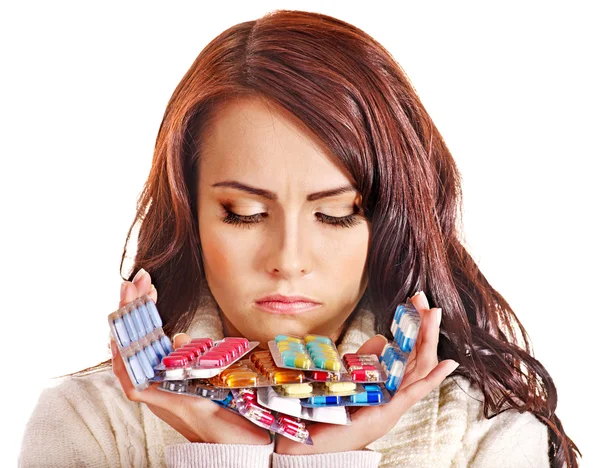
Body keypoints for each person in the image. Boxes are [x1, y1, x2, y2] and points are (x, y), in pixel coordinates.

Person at [19, 9, 580, 468]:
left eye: (335, 214)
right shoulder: (87, 427)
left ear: (390, 220)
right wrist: (225, 453)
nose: (287, 260)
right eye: (242, 213)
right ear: (189, 216)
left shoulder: (484, 440)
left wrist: (319, 455)